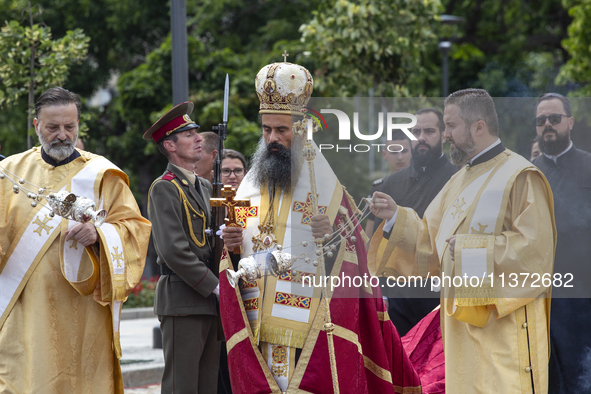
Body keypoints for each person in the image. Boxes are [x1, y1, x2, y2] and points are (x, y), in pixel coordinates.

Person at [219, 61, 426, 393]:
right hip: (256, 322)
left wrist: (329, 237)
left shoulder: (328, 191)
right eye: (266, 130)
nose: (272, 139)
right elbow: (237, 254)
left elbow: (353, 257)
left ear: (301, 129)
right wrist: (230, 246)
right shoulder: (248, 188)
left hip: (310, 324)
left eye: (281, 130)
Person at [369, 88, 555, 393]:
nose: (446, 136)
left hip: (502, 330)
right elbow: (429, 243)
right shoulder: (459, 179)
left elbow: (536, 253)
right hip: (460, 332)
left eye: (451, 126)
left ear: (478, 127)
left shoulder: (520, 175)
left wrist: (473, 250)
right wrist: (395, 217)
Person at [0, 87, 151, 393]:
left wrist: (100, 233)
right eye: (52, 127)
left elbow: (134, 228)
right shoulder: (8, 173)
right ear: (36, 125)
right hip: (26, 309)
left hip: (83, 312)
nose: (62, 135)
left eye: (70, 127)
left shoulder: (102, 174)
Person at [144, 102, 220, 394]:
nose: (199, 138)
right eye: (189, 134)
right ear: (170, 145)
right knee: (182, 386)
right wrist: (215, 286)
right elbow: (173, 250)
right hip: (183, 300)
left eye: (196, 132)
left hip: (208, 300)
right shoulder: (164, 187)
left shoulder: (203, 186)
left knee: (206, 385)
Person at [374, 107, 457, 336]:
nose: (421, 137)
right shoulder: (392, 183)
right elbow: (381, 243)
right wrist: (381, 293)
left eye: (429, 131)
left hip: (440, 296)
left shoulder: (459, 178)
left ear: (443, 135)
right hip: (398, 297)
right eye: (416, 131)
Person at [531, 93, 591, 393]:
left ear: (569, 121)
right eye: (541, 121)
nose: (547, 126)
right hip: (538, 297)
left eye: (554, 119)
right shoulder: (526, 175)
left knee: (582, 380)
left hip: (583, 296)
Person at [364, 130, 412, 237]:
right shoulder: (378, 188)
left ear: (411, 152)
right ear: (384, 154)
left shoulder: (422, 185)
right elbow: (369, 234)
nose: (400, 157)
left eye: (404, 151)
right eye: (394, 152)